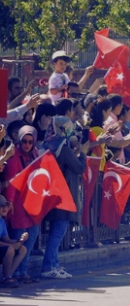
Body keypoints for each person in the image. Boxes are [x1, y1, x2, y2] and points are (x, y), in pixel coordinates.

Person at [41, 116, 85, 279]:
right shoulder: (62, 148)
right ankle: (48, 266)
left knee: (56, 231)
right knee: (58, 232)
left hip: (50, 192)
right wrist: (81, 154)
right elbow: (78, 168)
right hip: (62, 194)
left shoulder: (47, 144)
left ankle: (54, 264)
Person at [3, 126, 42, 283]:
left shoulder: (35, 154)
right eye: (24, 141)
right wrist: (10, 202)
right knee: (19, 240)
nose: (27, 145)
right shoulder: (14, 158)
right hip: (18, 206)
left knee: (31, 238)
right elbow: (12, 182)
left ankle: (22, 271)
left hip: (32, 205)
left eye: (30, 142)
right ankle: (11, 274)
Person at [0, 195, 29, 289]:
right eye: (1, 206)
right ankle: (6, 278)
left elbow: (6, 239)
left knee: (23, 249)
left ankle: (8, 276)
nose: (4, 208)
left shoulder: (2, 221)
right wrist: (12, 245)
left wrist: (19, 240)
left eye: (6, 205)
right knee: (10, 249)